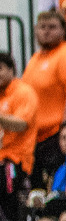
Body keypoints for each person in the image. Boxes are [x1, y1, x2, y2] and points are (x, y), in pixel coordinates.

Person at [23, 11, 66, 186]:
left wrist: (65, 133)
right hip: (37, 137)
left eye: (52, 27)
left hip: (56, 135)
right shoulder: (36, 58)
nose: (46, 31)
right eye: (42, 27)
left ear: (63, 31)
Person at [0, 53, 40, 209]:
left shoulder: (23, 92)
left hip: (15, 161)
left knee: (12, 208)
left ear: (11, 69)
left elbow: (21, 124)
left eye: (0, 68)